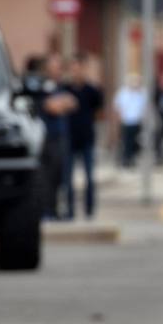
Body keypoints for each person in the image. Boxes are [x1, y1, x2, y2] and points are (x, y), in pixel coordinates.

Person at [22, 54, 77, 219]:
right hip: (46, 137)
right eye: (55, 66)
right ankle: (46, 211)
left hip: (61, 136)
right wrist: (61, 104)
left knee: (59, 175)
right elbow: (51, 107)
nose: (59, 69)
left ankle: (54, 210)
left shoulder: (60, 86)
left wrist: (62, 103)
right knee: (46, 176)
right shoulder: (40, 85)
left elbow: (73, 103)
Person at [66, 54, 104, 219]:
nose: (76, 71)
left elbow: (99, 108)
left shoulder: (91, 90)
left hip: (87, 137)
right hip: (69, 138)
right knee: (68, 177)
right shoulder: (65, 89)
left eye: (79, 68)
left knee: (89, 176)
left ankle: (89, 209)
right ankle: (69, 210)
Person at [114, 74, 147, 169]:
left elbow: (144, 107)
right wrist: (119, 119)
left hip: (137, 121)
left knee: (136, 142)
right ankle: (126, 159)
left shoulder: (142, 93)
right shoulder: (123, 93)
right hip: (126, 121)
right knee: (126, 142)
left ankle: (132, 158)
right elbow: (118, 107)